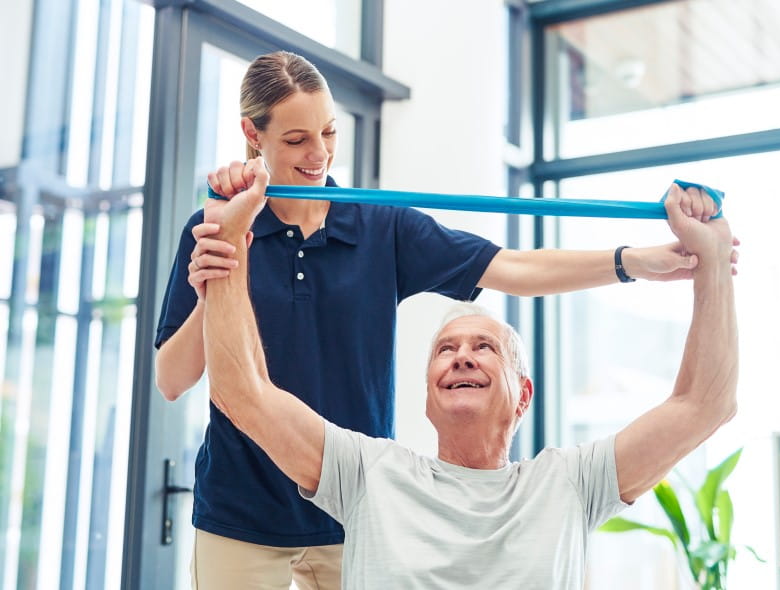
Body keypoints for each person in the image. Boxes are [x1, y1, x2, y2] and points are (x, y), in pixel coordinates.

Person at [154, 50, 725, 589]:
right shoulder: (219, 224)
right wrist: (219, 281)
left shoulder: (382, 227)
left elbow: (515, 268)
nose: (319, 155)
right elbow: (174, 380)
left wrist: (634, 263)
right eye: (297, 139)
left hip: (351, 501)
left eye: (329, 132)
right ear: (253, 135)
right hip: (241, 506)